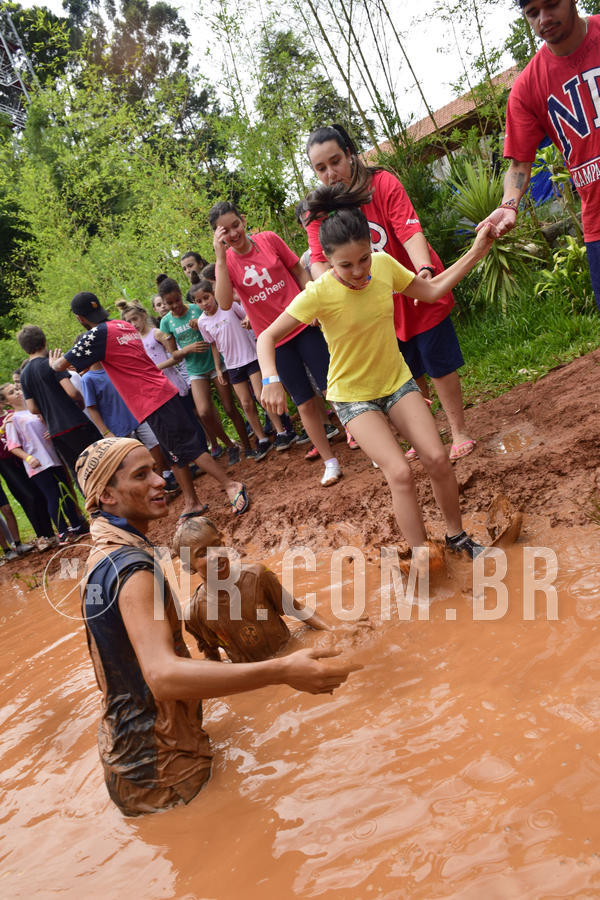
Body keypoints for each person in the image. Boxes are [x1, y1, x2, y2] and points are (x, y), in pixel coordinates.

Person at [76, 437, 360, 816]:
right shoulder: (133, 570)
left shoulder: (101, 558)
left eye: (155, 469)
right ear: (107, 496)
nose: (160, 481)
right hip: (164, 765)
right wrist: (281, 671)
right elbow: (162, 675)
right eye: (141, 475)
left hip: (131, 752)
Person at [258, 184, 495, 557]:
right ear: (327, 262)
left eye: (363, 259)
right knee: (399, 473)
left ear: (371, 249)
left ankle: (456, 536)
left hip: (396, 382)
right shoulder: (319, 292)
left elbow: (431, 292)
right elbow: (267, 337)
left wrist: (478, 250)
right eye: (345, 265)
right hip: (353, 397)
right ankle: (420, 556)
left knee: (436, 458)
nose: (358, 272)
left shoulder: (383, 266)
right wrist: (271, 379)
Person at [305, 124, 476, 462]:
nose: (330, 172)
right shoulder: (320, 211)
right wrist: (332, 301)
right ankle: (422, 433)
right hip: (374, 302)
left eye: (335, 161)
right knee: (405, 370)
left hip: (412, 283)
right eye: (320, 168)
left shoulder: (381, 184)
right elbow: (318, 262)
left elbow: (408, 228)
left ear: (351, 155)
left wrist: (423, 271)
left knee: (437, 361)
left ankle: (458, 431)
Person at [49, 292, 249, 517]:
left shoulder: (96, 335)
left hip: (152, 399)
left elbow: (59, 366)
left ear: (80, 318)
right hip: (157, 393)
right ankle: (192, 502)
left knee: (186, 447)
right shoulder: (121, 325)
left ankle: (231, 484)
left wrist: (53, 362)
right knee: (173, 452)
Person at [477, 0, 600, 310]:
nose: (544, 19)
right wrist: (509, 204)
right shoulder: (527, 88)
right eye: (533, 13)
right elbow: (519, 161)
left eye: (551, 5)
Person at [210, 200, 342, 486]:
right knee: (304, 402)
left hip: (303, 323)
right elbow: (222, 302)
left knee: (335, 386)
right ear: (218, 236)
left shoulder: (269, 239)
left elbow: (298, 271)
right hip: (274, 341)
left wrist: (315, 304)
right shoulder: (227, 263)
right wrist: (220, 258)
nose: (234, 233)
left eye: (236, 225)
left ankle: (364, 438)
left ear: (243, 220)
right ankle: (330, 460)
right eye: (226, 231)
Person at [173, 515, 370, 662]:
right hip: (254, 677)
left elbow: (297, 609)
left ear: (223, 542)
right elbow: (212, 658)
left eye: (216, 545)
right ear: (188, 566)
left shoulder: (258, 576)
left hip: (290, 655)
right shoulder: (195, 612)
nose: (215, 555)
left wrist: (334, 630)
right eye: (202, 554)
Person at [191, 279, 291, 460]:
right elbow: (213, 345)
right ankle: (261, 439)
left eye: (206, 297)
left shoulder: (227, 307)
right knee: (246, 403)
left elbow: (247, 315)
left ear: (213, 294)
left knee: (261, 396)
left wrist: (246, 319)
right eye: (199, 301)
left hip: (250, 356)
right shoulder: (202, 322)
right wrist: (218, 369)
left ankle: (281, 432)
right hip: (231, 365)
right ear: (195, 303)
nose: (204, 303)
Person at [157, 277, 253, 464]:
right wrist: (187, 349)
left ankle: (248, 445)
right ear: (164, 303)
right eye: (170, 303)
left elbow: (216, 321)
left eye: (177, 300)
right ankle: (230, 445)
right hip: (195, 369)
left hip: (216, 363)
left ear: (180, 295)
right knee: (203, 412)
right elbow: (174, 354)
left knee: (229, 407)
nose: (175, 305)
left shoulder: (196, 308)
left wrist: (200, 320)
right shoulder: (166, 322)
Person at [0, 382, 88, 540]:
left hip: (53, 457)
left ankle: (77, 526)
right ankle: (63, 531)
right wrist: (28, 458)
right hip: (37, 464)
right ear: (7, 402)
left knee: (65, 493)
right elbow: (13, 447)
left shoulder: (35, 410)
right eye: (12, 392)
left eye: (18, 389)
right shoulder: (13, 419)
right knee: (53, 496)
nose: (18, 393)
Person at [16, 325, 101, 477]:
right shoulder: (50, 364)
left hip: (56, 431)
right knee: (100, 460)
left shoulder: (24, 375)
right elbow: (72, 392)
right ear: (44, 341)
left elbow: (32, 408)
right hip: (75, 422)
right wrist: (80, 402)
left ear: (24, 348)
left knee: (79, 471)